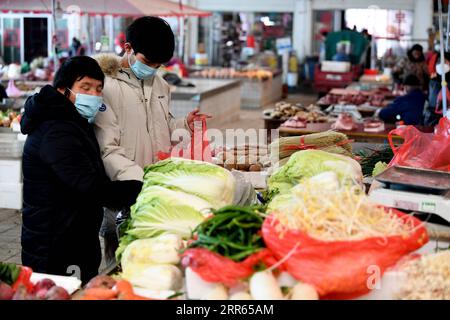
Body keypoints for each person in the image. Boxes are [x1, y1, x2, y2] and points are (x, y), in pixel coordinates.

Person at [20, 56, 143, 283]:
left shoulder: (72, 121)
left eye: (98, 89)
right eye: (85, 87)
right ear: (63, 90)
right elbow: (90, 187)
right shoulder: (56, 131)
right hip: (57, 246)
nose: (94, 95)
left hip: (73, 236)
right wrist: (140, 190)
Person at [94, 16, 201, 267]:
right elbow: (106, 148)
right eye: (147, 61)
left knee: (152, 260)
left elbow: (160, 129)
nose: (152, 67)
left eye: (158, 64)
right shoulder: (106, 86)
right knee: (120, 261)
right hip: (122, 190)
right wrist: (137, 180)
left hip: (152, 189)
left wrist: (183, 124)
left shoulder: (161, 85)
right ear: (128, 48)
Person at [425, 51, 450, 126]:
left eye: (444, 61)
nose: (441, 64)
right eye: (438, 61)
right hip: (433, 120)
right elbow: (430, 103)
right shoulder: (433, 82)